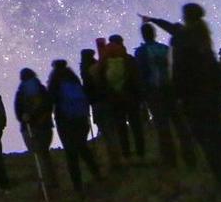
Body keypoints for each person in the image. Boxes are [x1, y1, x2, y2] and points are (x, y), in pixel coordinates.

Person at [144, 5, 221, 202]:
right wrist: (153, 19)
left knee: (210, 147)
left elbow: (181, 73)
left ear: (185, 18)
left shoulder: (182, 41)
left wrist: (177, 96)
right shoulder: (201, 36)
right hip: (210, 98)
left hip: (194, 101)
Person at [135, 23, 196, 168]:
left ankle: (170, 160)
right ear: (154, 34)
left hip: (154, 91)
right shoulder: (164, 48)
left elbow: (142, 74)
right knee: (179, 123)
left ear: (143, 35)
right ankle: (190, 156)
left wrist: (143, 96)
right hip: (170, 89)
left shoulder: (141, 51)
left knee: (162, 126)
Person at [48, 59, 101, 194]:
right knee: (82, 146)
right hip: (81, 118)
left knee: (71, 153)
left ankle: (78, 185)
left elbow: (51, 100)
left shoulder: (55, 80)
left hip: (65, 120)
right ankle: (96, 173)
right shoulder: (74, 78)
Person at [99, 34, 146, 162]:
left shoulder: (104, 61)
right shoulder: (128, 58)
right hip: (131, 96)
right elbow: (136, 78)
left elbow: (100, 80)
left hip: (114, 99)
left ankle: (126, 155)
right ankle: (141, 154)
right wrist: (141, 96)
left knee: (121, 128)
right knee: (136, 125)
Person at [14, 68, 59, 193]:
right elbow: (49, 105)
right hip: (45, 127)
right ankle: (52, 181)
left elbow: (18, 113)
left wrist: (27, 118)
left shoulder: (21, 92)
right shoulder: (41, 88)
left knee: (38, 155)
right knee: (45, 154)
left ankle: (45, 185)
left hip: (30, 128)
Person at [80, 49, 123, 170]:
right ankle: (118, 159)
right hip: (107, 101)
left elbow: (88, 88)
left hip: (97, 104)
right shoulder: (99, 66)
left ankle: (114, 161)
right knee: (112, 131)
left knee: (106, 132)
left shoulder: (86, 70)